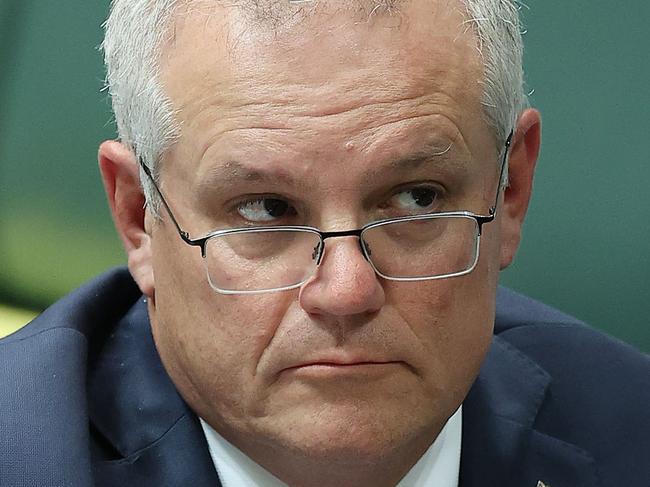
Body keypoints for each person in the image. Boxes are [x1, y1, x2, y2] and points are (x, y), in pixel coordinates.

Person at [0, 0, 648, 486]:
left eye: (416, 197)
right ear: (140, 217)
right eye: (265, 209)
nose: (347, 289)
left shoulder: (632, 431)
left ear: (509, 191)